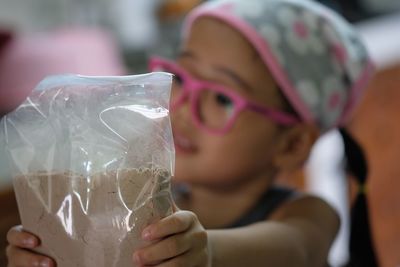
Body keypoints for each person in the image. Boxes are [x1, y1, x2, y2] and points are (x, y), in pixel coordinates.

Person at [5, 0, 375, 266]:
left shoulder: (308, 216)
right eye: (181, 78)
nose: (183, 106)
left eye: (221, 97)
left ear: (292, 144)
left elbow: (296, 250)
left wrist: (207, 252)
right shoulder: (145, 205)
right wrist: (50, 248)